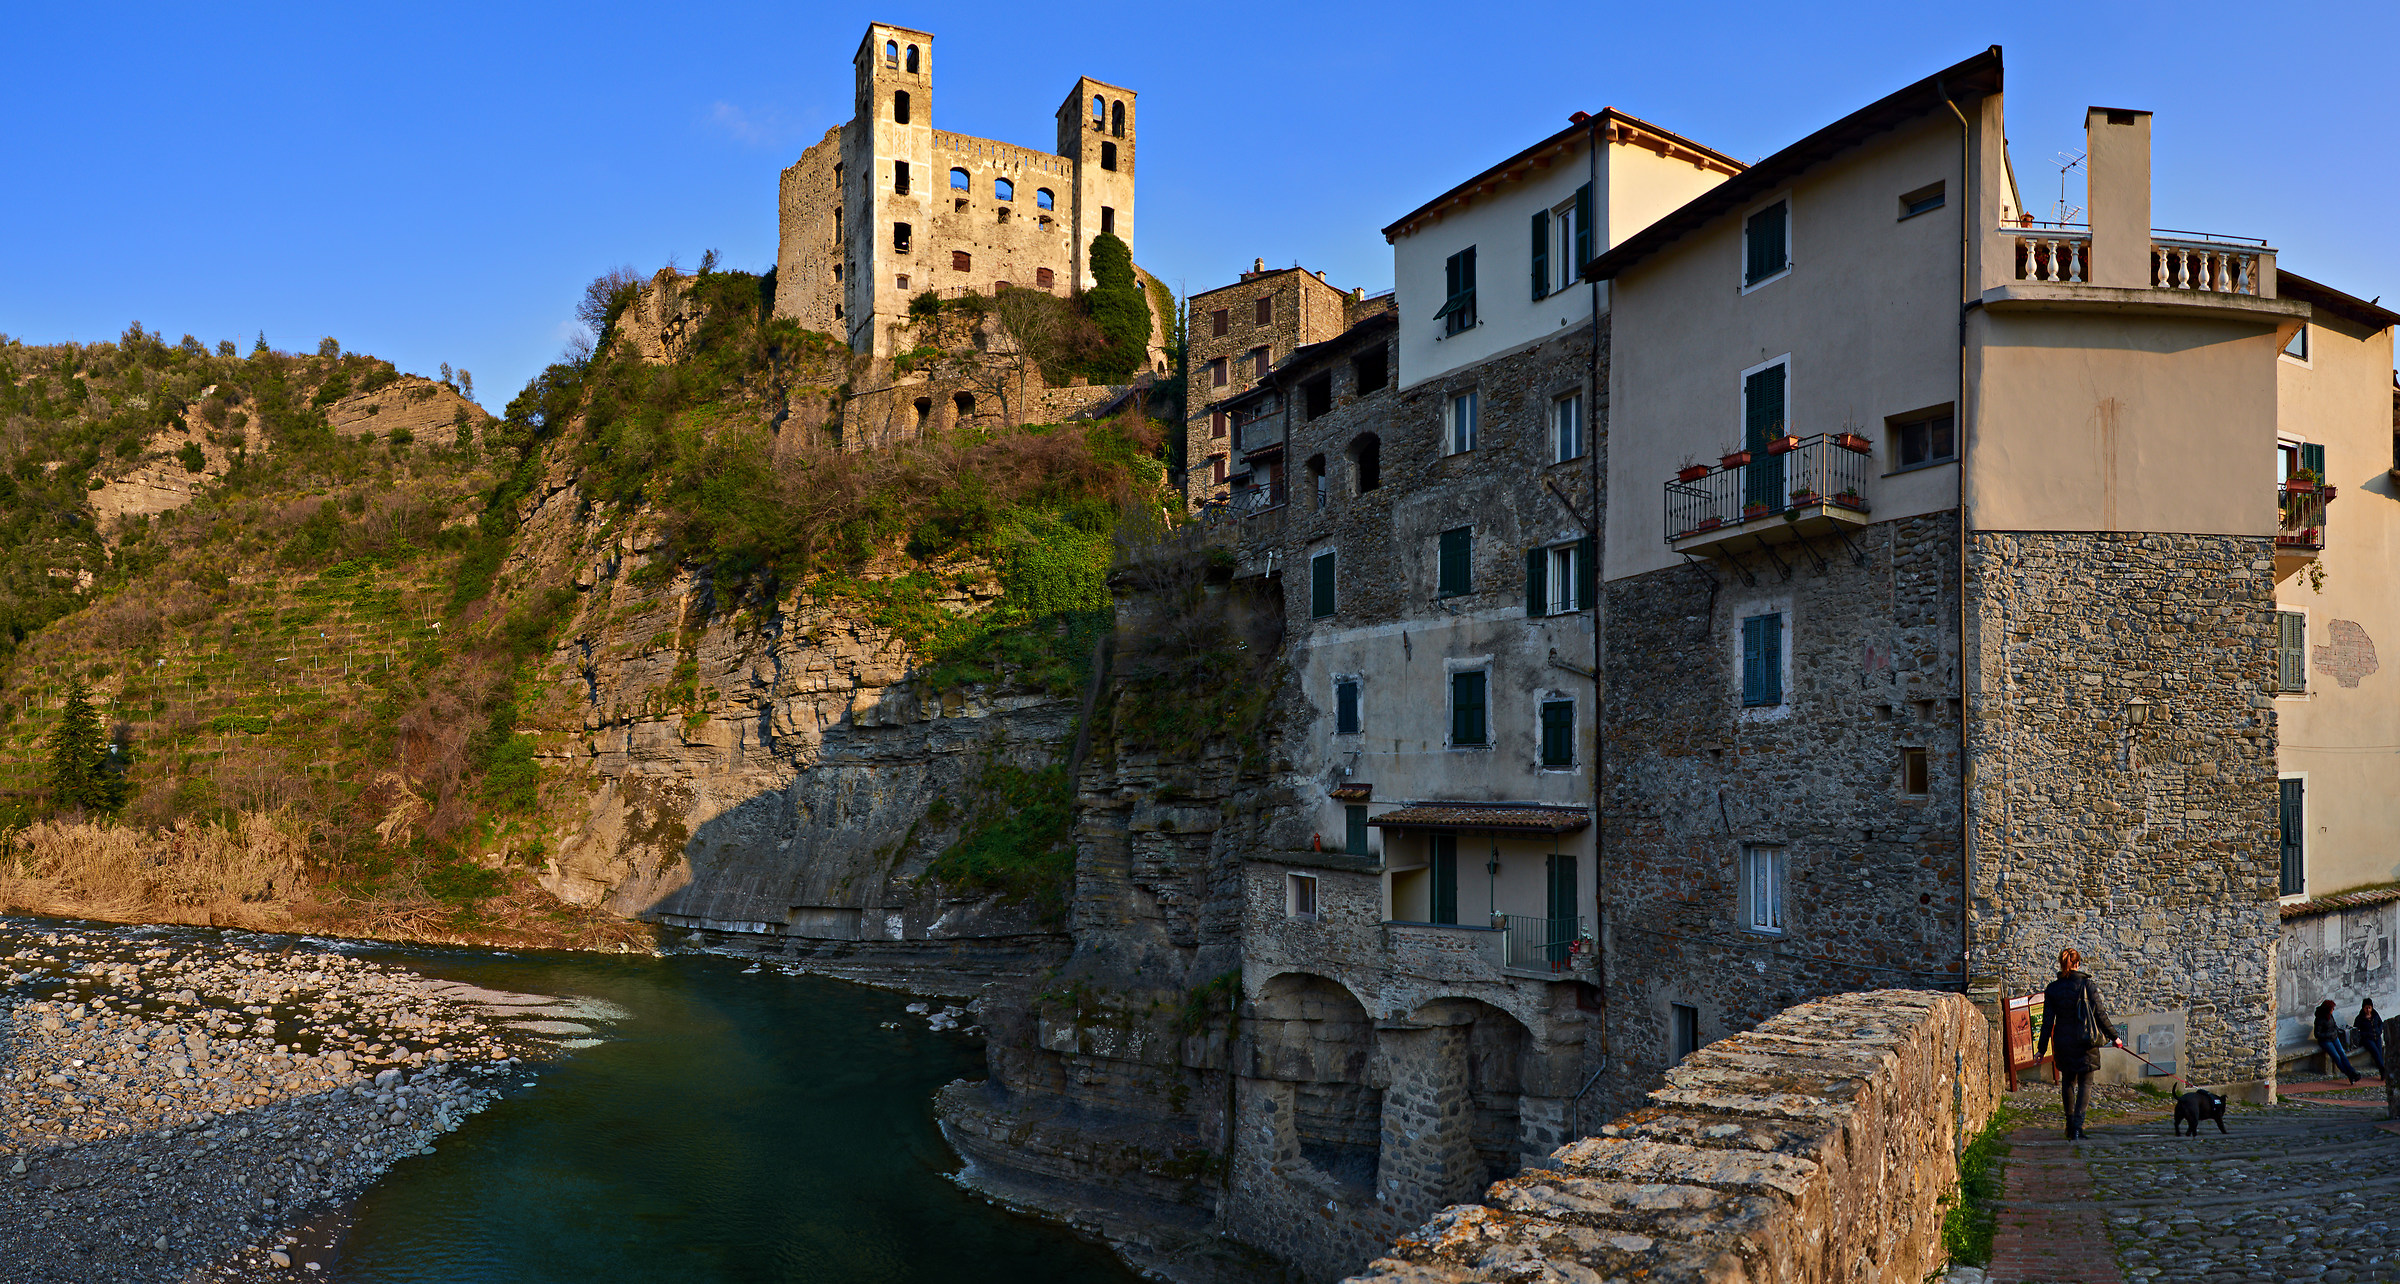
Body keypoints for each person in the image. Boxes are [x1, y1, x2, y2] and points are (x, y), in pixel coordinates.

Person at [2037, 948, 2122, 1140]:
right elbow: (2100, 1014)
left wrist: (2041, 1049)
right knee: (2085, 1083)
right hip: (2085, 1041)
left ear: (2061, 963)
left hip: (2063, 1041)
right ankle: (2077, 1127)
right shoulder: (2087, 985)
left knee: (2067, 1082)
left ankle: (2069, 1126)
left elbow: (2047, 1022)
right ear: (2078, 964)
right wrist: (2114, 1036)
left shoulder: (2052, 989)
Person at [2317, 999, 2363, 1083]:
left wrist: (2335, 1032)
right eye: (2332, 1009)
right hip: (2326, 1041)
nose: (2333, 1010)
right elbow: (2317, 1034)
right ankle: (2349, 1074)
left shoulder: (2330, 1016)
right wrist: (2328, 1035)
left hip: (2334, 1038)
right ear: (2327, 1009)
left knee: (2342, 1053)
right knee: (2336, 1057)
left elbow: (2334, 1025)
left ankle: (2352, 1071)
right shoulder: (2319, 1019)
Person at [2356, 1000, 2386, 1078]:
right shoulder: (2360, 1018)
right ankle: (2383, 1069)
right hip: (2367, 1039)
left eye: (2369, 1008)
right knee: (2375, 1051)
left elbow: (2380, 1024)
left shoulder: (2375, 1015)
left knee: (2379, 1052)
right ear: (2363, 1008)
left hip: (2377, 1037)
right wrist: (2365, 1034)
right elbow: (2356, 1031)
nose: (2368, 1010)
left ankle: (2382, 1070)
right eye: (2366, 1008)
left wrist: (2379, 1031)